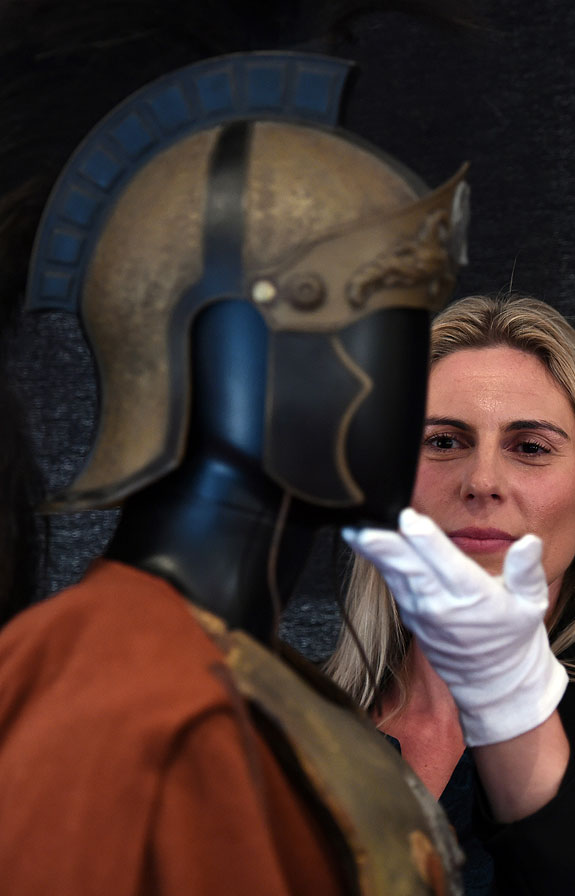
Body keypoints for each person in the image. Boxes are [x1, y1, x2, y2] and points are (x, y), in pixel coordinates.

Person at [0, 39, 472, 896]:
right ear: (229, 345)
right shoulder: (116, 689)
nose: (412, 388)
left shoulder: (266, 680)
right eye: (387, 324)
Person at [327, 293, 575, 894]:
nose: (482, 482)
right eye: (444, 442)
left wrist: (509, 706)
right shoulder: (281, 718)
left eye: (530, 447)